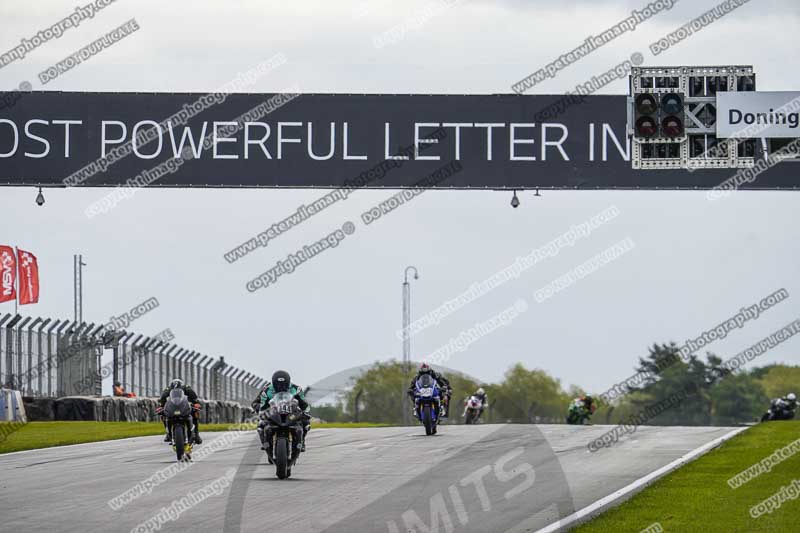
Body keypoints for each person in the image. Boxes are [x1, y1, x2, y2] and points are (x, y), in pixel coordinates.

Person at [252, 370, 311, 456]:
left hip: (291, 413)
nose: (280, 387)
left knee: (305, 422)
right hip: (274, 412)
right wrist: (261, 411)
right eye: (278, 384)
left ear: (288, 382)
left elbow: (304, 404)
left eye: (283, 384)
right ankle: (265, 443)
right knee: (261, 424)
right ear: (273, 383)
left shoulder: (296, 389)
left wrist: (305, 410)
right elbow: (261, 405)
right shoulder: (267, 389)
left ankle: (302, 441)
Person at [158, 378, 202, 444]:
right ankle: (168, 433)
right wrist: (161, 406)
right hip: (173, 407)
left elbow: (194, 397)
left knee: (195, 412)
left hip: (184, 406)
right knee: (163, 414)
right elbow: (162, 398)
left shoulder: (187, 388)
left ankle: (196, 434)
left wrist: (196, 403)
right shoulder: (168, 389)